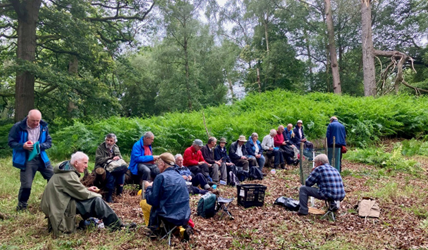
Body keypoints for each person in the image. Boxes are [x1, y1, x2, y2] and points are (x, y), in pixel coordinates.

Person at [41, 152, 134, 236]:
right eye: (85, 163)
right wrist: (99, 195)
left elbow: (73, 188)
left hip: (60, 203)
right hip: (59, 206)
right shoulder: (68, 175)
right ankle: (117, 226)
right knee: (96, 201)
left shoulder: (66, 171)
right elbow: (82, 194)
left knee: (93, 200)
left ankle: (106, 222)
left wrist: (87, 189)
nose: (86, 166)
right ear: (76, 163)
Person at [8, 109, 53, 211]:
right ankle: (21, 206)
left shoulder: (44, 126)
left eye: (38, 120)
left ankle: (52, 201)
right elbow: (11, 142)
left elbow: (49, 142)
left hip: (41, 157)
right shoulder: (18, 127)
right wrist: (22, 146)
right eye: (33, 121)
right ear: (28, 118)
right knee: (26, 185)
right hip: (26, 159)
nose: (36, 123)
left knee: (54, 178)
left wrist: (40, 146)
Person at [145, 153, 191, 232]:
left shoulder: (161, 177)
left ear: (163, 164)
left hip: (168, 215)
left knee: (144, 202)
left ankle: (154, 228)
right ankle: (178, 228)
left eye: (158, 164)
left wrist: (148, 187)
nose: (157, 167)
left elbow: (153, 201)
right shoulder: (180, 176)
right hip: (184, 215)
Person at [95, 133, 126, 203]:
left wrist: (117, 158)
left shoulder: (115, 147)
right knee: (111, 174)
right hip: (103, 165)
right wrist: (111, 158)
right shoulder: (100, 148)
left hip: (114, 165)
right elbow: (99, 160)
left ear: (114, 142)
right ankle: (109, 196)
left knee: (122, 173)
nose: (109, 142)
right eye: (107, 140)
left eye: (111, 141)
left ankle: (119, 194)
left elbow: (120, 157)